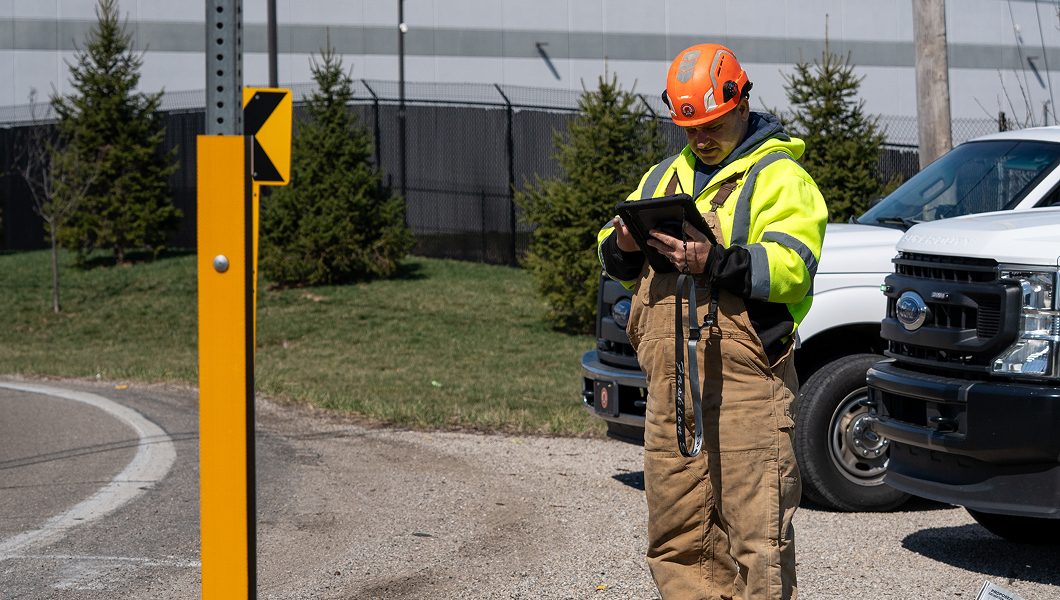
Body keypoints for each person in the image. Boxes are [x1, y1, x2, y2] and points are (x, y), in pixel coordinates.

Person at [596, 44, 827, 600]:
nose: (701, 139)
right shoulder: (663, 177)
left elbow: (794, 266)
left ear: (742, 103)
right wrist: (624, 241)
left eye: (713, 125)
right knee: (677, 534)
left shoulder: (780, 178)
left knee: (756, 540)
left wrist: (715, 261)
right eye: (690, 127)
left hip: (748, 387)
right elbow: (609, 250)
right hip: (673, 386)